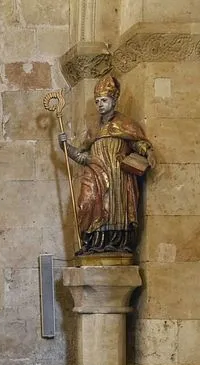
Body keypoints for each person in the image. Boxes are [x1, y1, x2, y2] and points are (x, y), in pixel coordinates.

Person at [59, 75, 156, 255]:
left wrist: (148, 151)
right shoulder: (94, 129)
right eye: (97, 101)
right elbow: (81, 155)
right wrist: (64, 146)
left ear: (114, 100)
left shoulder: (125, 124)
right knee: (86, 203)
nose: (100, 104)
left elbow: (137, 143)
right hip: (95, 172)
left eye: (104, 100)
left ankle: (117, 242)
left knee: (116, 206)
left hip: (118, 174)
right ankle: (93, 242)